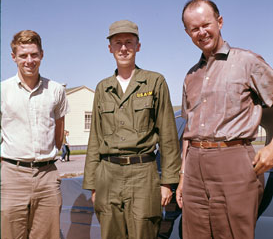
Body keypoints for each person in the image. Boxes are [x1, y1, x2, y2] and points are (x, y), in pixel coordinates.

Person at [176, 0, 273, 239]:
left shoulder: (248, 62)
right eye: (194, 28)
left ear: (219, 22)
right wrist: (183, 177)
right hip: (194, 169)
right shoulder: (191, 76)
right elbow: (189, 129)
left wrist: (272, 147)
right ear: (187, 32)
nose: (202, 32)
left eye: (206, 24)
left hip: (234, 162)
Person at [83, 20, 181, 239]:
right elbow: (95, 138)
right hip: (107, 174)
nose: (124, 48)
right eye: (118, 43)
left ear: (138, 46)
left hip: (143, 173)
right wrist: (93, 185)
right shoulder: (103, 87)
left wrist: (167, 182)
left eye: (129, 42)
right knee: (111, 233)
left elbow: (168, 135)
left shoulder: (154, 82)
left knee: (144, 232)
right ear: (110, 48)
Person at [1, 30, 69, 239]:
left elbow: (59, 136)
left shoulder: (56, 90)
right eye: (23, 55)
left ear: (41, 54)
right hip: (12, 175)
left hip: (47, 176)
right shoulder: (2, 91)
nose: (29, 61)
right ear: (13, 57)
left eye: (34, 54)